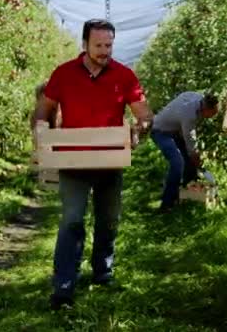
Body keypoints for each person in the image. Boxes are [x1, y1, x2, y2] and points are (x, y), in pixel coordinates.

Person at [31, 18, 153, 310]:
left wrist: (140, 128)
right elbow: (44, 108)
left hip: (110, 161)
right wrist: (39, 127)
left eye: (108, 45)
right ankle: (63, 286)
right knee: (72, 220)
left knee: (108, 220)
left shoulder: (124, 75)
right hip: (73, 161)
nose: (104, 51)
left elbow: (143, 113)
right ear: (84, 44)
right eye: (98, 45)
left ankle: (102, 271)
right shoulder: (63, 73)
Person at [150, 92, 219, 212]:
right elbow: (190, 138)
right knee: (178, 162)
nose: (213, 116)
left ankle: (189, 194)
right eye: (212, 114)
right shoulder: (189, 114)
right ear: (205, 109)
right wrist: (196, 157)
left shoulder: (199, 98)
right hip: (160, 132)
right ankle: (167, 204)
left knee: (189, 161)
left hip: (175, 131)